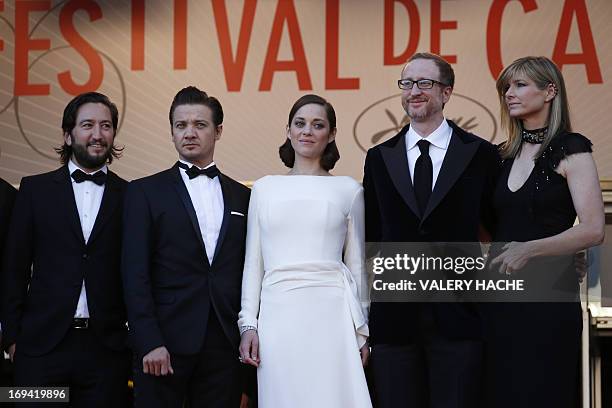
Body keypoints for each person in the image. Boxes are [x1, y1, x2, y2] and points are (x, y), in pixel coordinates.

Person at [363, 52, 500, 408]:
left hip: (460, 315)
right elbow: (372, 238)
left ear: (446, 92)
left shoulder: (481, 154)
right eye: (407, 84)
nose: (414, 91)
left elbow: (498, 229)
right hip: (395, 319)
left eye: (425, 83)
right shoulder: (379, 157)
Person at [484, 56, 604, 407]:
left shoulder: (572, 148)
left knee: (543, 392)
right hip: (499, 300)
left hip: (549, 301)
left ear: (550, 90)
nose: (509, 94)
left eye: (519, 85)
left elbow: (594, 229)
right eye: (506, 87)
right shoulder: (500, 156)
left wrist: (529, 249)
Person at [238, 94, 372, 407]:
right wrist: (248, 324)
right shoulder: (264, 188)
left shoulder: (349, 190)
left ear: (332, 134)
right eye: (299, 123)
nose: (307, 131)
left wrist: (363, 329)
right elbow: (252, 264)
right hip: (277, 315)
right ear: (288, 130)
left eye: (317, 125)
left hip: (332, 315)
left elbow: (356, 267)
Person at [122, 86, 250, 407]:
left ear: (218, 131)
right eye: (181, 126)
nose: (189, 133)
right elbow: (134, 273)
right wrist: (149, 340)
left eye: (199, 125)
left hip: (223, 343)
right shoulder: (144, 192)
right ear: (172, 132)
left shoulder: (243, 196)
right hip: (164, 343)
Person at [1, 92, 131, 407]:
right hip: (39, 352)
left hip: (106, 354)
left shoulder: (132, 195)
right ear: (68, 133)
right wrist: (13, 339)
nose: (98, 134)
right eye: (87, 125)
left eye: (106, 126)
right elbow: (14, 268)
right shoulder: (33, 190)